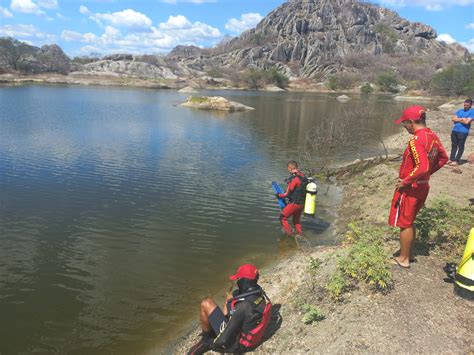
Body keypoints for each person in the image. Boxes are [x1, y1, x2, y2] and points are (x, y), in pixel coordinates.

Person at [389, 105, 448, 269]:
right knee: (410, 221)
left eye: (405, 123)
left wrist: (405, 181)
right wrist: (428, 174)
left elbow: (421, 166)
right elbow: (443, 158)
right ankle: (409, 254)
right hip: (422, 186)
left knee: (405, 223)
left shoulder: (416, 140)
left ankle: (403, 258)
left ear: (411, 122)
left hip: (411, 188)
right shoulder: (432, 136)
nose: (404, 126)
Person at [187, 264, 272, 355]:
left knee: (206, 303)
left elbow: (222, 340)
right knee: (230, 296)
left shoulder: (242, 307)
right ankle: (217, 325)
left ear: (244, 281)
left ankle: (205, 339)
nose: (237, 281)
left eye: (238, 279)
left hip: (235, 344)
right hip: (247, 335)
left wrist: (211, 343)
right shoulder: (259, 294)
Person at [276, 160, 306, 237]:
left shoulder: (294, 178)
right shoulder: (303, 176)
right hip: (302, 203)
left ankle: (290, 236)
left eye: (288, 169)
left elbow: (288, 194)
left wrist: (279, 195)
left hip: (295, 203)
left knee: (282, 218)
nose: (288, 170)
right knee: (296, 220)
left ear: (290, 168)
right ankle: (301, 234)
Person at [448, 98, 473, 166]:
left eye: (467, 105)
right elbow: (453, 119)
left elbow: (467, 122)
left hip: (463, 132)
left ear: (471, 105)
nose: (465, 106)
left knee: (460, 146)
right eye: (464, 105)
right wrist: (462, 119)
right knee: (454, 145)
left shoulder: (472, 112)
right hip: (455, 130)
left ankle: (457, 160)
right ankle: (451, 159)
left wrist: (458, 119)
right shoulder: (460, 110)